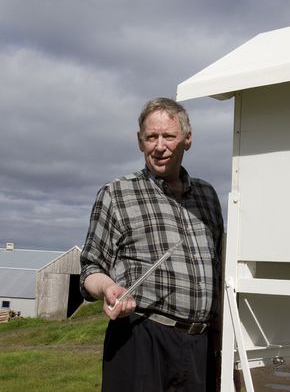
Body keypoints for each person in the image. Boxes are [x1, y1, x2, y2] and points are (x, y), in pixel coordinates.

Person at [80, 97, 225, 391]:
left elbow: (219, 275)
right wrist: (109, 289)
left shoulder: (208, 196)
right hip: (140, 338)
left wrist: (222, 343)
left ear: (187, 139)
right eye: (151, 137)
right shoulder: (116, 194)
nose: (160, 146)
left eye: (169, 136)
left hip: (201, 344)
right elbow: (90, 269)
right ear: (140, 141)